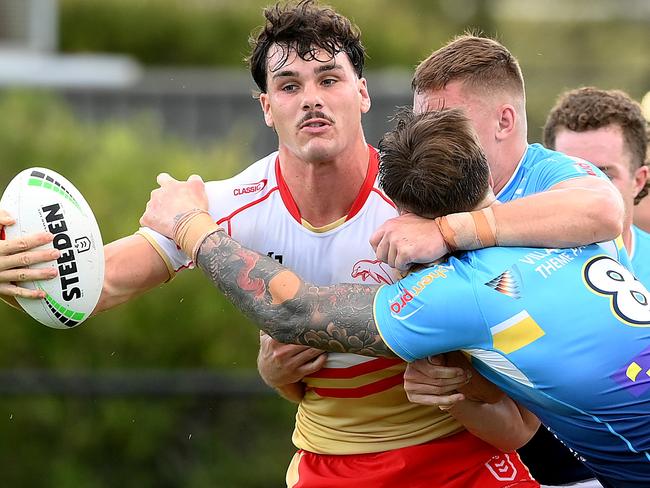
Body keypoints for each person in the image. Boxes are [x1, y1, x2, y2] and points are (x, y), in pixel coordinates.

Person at [0, 8, 622, 488]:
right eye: (290, 85)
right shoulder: (225, 205)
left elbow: (517, 421)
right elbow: (98, 282)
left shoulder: (424, 202)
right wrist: (27, 267)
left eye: (330, 78)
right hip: (330, 464)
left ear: (363, 94)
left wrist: (463, 383)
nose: (312, 97)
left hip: (458, 463)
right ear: (266, 107)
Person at [140, 108, 650, 488]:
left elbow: (294, 313)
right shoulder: (568, 211)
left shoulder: (455, 293)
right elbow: (604, 205)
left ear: (402, 212)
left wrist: (190, 227)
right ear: (484, 170)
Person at [512, 87, 650, 487]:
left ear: (641, 180)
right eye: (569, 169)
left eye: (604, 173)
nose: (584, 186)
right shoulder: (506, 274)